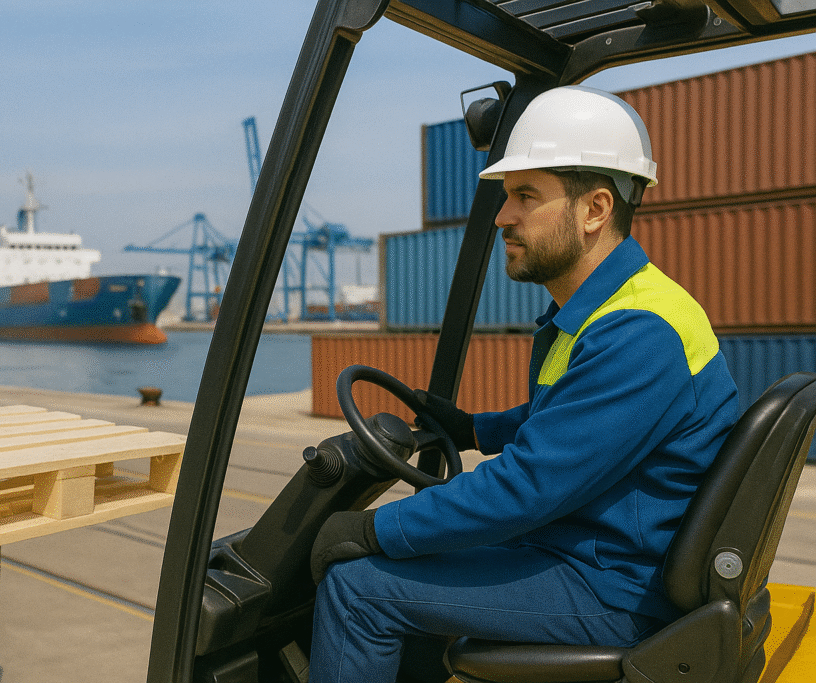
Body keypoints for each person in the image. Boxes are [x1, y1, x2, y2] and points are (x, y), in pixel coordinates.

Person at [308, 85, 739, 683]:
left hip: (616, 584)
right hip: (598, 549)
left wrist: (373, 527)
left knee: (358, 591)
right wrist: (472, 429)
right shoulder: (615, 309)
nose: (503, 215)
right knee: (420, 554)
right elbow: (567, 416)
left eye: (525, 196)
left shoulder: (638, 334)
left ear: (595, 210)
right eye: (507, 196)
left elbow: (529, 487)